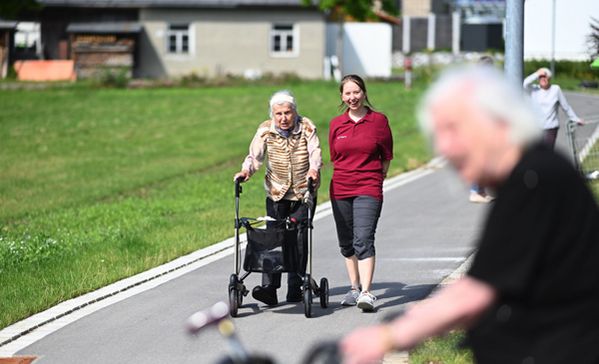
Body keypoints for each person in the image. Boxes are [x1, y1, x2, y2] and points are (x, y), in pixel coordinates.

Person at [340, 66, 599, 364]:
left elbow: (474, 294)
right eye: (440, 135)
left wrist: (387, 337)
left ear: (499, 123)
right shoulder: (527, 176)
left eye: (455, 129)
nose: (445, 147)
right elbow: (490, 280)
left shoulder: (535, 179)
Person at [234, 90, 322, 306]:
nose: (283, 118)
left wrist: (314, 171)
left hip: (303, 194)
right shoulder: (266, 130)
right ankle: (270, 289)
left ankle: (296, 287)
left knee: (299, 239)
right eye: (279, 114)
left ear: (295, 112)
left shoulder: (307, 127)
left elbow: (315, 154)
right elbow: (254, 157)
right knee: (273, 240)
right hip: (276, 194)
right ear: (272, 115)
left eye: (287, 113)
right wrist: (246, 172)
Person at [329, 74, 393, 312]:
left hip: (368, 187)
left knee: (363, 239)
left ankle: (366, 292)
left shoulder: (379, 121)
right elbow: (335, 157)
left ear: (364, 93)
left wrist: (377, 177)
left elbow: (386, 156)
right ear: (342, 96)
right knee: (346, 242)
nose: (352, 97)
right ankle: (353, 288)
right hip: (340, 187)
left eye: (356, 92)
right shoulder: (337, 124)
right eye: (347, 93)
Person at [523, 67, 584, 148]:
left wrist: (576, 119)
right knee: (536, 153)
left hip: (551, 128)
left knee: (547, 153)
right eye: (541, 77)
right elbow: (525, 83)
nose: (543, 79)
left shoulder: (555, 89)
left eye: (545, 77)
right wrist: (537, 73)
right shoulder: (534, 89)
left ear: (549, 78)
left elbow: (566, 107)